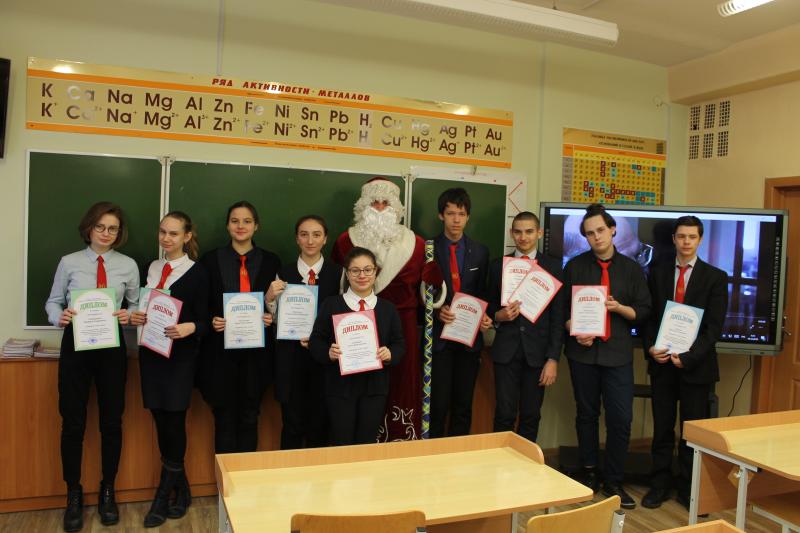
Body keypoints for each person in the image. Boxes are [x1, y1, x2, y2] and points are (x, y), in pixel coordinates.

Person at [45, 202, 139, 532]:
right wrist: (58, 316)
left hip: (112, 348)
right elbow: (53, 301)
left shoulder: (128, 265)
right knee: (73, 423)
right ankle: (73, 493)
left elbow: (136, 305)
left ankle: (107, 490)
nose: (106, 233)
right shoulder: (69, 262)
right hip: (76, 347)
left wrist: (129, 315)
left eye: (113, 228)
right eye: (100, 227)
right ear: (89, 228)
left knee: (112, 422)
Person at [332, 178, 442, 441]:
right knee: (361, 385)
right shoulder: (346, 241)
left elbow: (429, 298)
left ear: (396, 208)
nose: (380, 208)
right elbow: (336, 291)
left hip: (403, 327)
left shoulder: (417, 244)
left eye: (386, 203)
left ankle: (399, 439)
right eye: (374, 203)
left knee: (401, 382)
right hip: (358, 325)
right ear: (363, 206)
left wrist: (434, 283)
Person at [562, 203, 651, 510]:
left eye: (601, 230)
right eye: (590, 233)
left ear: (612, 230)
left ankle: (614, 480)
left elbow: (644, 311)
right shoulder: (575, 267)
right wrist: (574, 328)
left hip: (617, 355)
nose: (596, 237)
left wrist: (620, 308)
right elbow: (562, 312)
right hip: (583, 354)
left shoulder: (632, 269)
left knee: (620, 419)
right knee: (586, 415)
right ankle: (589, 473)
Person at [641, 216, 728, 510]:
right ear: (674, 240)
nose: (686, 242)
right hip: (662, 364)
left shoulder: (715, 277)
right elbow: (649, 318)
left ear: (700, 240)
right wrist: (650, 347)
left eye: (692, 237)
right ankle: (659, 484)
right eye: (681, 236)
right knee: (662, 429)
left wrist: (688, 357)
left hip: (696, 368)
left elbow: (713, 328)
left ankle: (689, 489)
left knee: (692, 432)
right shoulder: (657, 273)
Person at [130, 211, 209, 528]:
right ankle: (183, 490)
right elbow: (143, 306)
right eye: (162, 231)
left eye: (174, 233)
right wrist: (137, 316)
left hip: (180, 358)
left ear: (187, 237)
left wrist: (191, 327)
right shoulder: (151, 268)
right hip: (151, 353)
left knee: (174, 422)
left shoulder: (198, 273)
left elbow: (207, 320)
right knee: (160, 420)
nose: (166, 238)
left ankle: (162, 497)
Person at [199, 201, 280, 454]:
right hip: (220, 354)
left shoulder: (271, 261)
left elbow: (276, 305)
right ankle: (224, 480)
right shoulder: (210, 260)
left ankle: (245, 477)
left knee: (249, 417)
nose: (240, 226)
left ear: (256, 226)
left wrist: (270, 317)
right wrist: (212, 319)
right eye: (235, 221)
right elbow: (201, 303)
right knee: (223, 419)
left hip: (256, 356)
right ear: (227, 226)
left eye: (247, 221)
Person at [309, 247, 405, 445]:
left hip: (375, 388)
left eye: (368, 270)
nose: (362, 275)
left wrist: (390, 353)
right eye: (355, 270)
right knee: (341, 442)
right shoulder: (331, 304)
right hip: (340, 388)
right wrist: (328, 352)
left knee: (367, 444)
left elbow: (399, 344)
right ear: (347, 273)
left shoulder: (388, 309)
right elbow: (315, 341)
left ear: (375, 272)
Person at [487, 211, 564, 443]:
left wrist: (553, 359)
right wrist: (498, 315)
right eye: (518, 232)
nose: (523, 237)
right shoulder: (498, 266)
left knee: (531, 415)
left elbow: (558, 318)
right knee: (504, 414)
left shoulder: (554, 267)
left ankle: (526, 464)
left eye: (529, 231)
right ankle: (501, 461)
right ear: (512, 233)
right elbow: (488, 306)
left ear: (539, 233)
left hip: (538, 354)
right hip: (506, 352)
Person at [269, 215, 342, 449]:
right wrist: (269, 299)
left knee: (319, 425)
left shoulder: (339, 274)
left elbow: (344, 315)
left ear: (325, 239)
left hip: (324, 361)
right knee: (292, 424)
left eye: (316, 235)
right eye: (304, 234)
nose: (310, 241)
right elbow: (275, 318)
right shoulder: (283, 273)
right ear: (296, 239)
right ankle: (288, 471)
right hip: (290, 358)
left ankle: (317, 472)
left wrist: (320, 341)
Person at [430, 187, 492, 438]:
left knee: (463, 405)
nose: (456, 220)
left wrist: (486, 316)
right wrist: (436, 311)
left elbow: (484, 292)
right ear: (441, 215)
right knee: (437, 405)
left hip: (469, 340)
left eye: (462, 214)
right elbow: (419, 293)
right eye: (451, 213)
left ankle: (459, 455)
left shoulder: (481, 251)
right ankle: (432, 454)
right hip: (439, 340)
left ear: (468, 217)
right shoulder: (428, 249)